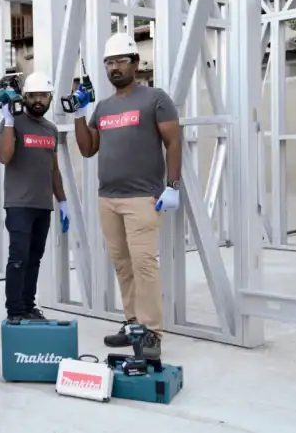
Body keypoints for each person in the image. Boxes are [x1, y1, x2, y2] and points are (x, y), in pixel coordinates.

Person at [72, 32, 182, 359]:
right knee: (122, 264)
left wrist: (172, 186)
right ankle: (133, 322)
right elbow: (88, 149)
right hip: (108, 197)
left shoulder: (155, 99)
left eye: (121, 60)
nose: (114, 67)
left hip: (141, 198)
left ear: (136, 62)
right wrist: (79, 113)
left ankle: (152, 332)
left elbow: (173, 142)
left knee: (144, 263)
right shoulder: (103, 108)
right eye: (109, 62)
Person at [0, 71, 69, 323]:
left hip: (42, 205)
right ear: (24, 97)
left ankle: (28, 305)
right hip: (19, 205)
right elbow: (4, 157)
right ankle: (15, 310)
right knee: (18, 258)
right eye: (34, 95)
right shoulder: (13, 122)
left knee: (34, 258)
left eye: (44, 95)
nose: (39, 100)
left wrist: (63, 201)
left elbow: (53, 168)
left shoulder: (51, 129)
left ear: (50, 98)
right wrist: (7, 121)